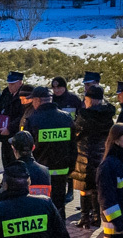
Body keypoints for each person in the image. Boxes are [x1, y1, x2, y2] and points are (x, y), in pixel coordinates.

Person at [24, 85, 77, 221]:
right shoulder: (66, 118)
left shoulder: (32, 120)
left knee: (40, 207)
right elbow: (73, 147)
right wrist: (70, 169)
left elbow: (27, 150)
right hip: (61, 173)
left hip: (40, 174)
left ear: (37, 100)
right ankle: (61, 235)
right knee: (59, 207)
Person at [71, 85, 116, 229]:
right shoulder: (107, 115)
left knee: (84, 187)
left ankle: (85, 217)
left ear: (89, 99)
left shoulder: (84, 116)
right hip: (101, 153)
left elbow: (76, 134)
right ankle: (97, 217)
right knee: (97, 186)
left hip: (85, 154)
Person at [0, 71, 26, 170]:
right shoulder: (5, 93)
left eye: (12, 84)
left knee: (17, 163)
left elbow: (23, 115)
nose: (10, 86)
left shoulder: (25, 94)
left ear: (20, 83)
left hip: (17, 135)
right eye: (9, 83)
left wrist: (10, 128)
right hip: (4, 134)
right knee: (6, 161)